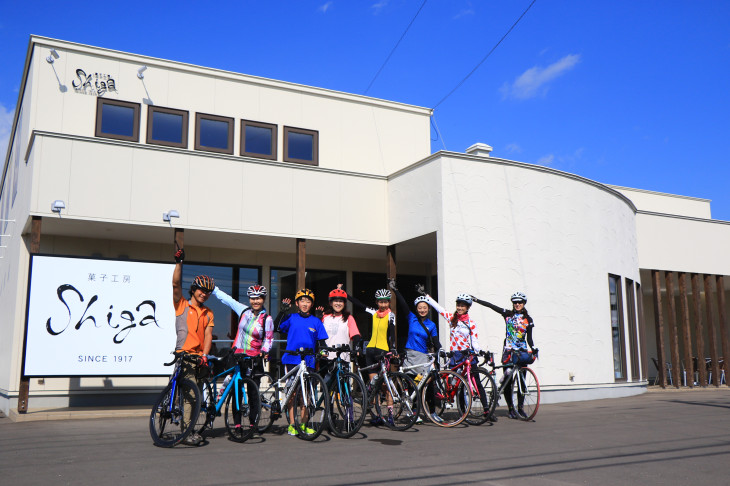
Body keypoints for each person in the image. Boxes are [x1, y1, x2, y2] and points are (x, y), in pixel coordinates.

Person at [419, 287, 492, 422]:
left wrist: (479, 351)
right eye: (458, 305)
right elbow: (439, 309)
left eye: (462, 306)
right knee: (457, 384)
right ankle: (463, 412)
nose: (459, 307)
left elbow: (474, 341)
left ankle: (487, 409)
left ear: (467, 307)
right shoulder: (452, 318)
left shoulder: (471, 323)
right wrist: (426, 296)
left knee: (476, 381)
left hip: (468, 355)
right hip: (456, 355)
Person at [209, 284, 274, 429]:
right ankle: (237, 423)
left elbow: (269, 339)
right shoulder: (244, 310)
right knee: (236, 390)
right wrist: (214, 289)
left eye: (258, 298)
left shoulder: (267, 319)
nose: (255, 301)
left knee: (253, 393)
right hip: (237, 356)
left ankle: (253, 423)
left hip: (254, 359)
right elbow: (228, 300)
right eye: (253, 298)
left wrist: (264, 350)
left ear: (263, 299)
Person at [172, 246, 214, 445]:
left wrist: (205, 355)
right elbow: (175, 284)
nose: (204, 294)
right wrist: (179, 262)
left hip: (199, 357)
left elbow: (208, 336)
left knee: (196, 396)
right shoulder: (182, 304)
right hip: (184, 355)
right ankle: (186, 432)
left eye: (207, 292)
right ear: (194, 289)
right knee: (189, 396)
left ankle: (190, 428)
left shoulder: (208, 313)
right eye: (201, 290)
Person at [472, 291, 537, 420]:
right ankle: (511, 409)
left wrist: (533, 347)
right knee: (508, 381)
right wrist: (477, 300)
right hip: (508, 352)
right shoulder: (508, 314)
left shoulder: (528, 320)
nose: (517, 304)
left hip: (522, 352)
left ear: (524, 304)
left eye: (520, 302)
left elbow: (529, 338)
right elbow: (492, 306)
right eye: (515, 302)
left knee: (522, 382)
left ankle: (520, 408)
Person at [276, 289, 329, 436]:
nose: (305, 304)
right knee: (292, 393)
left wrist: (324, 351)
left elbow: (322, 341)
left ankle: (304, 425)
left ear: (311, 304)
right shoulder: (291, 317)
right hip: (292, 359)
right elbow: (277, 327)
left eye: (308, 301)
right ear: (297, 303)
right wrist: (282, 312)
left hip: (309, 361)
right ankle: (293, 424)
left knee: (305, 394)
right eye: (302, 301)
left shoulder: (316, 321)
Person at [388, 279, 441, 423]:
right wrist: (395, 289)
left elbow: (436, 342)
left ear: (428, 309)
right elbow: (403, 304)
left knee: (427, 386)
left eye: (425, 307)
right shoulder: (412, 318)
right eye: (419, 307)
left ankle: (432, 412)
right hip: (410, 356)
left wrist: (440, 351)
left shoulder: (431, 325)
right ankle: (414, 412)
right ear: (416, 308)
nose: (422, 309)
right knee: (412, 385)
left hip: (423, 358)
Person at [347, 287, 396, 425]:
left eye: (385, 302)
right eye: (380, 302)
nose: (383, 305)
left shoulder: (391, 315)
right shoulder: (374, 312)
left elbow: (392, 333)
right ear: (376, 302)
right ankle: (378, 415)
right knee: (374, 387)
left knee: (387, 386)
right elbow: (359, 305)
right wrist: (346, 294)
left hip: (383, 352)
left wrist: (393, 348)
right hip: (370, 352)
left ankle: (390, 415)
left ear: (389, 302)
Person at [317, 285, 362, 375]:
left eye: (341, 301)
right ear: (330, 303)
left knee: (342, 386)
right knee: (326, 386)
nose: (338, 303)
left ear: (344, 304)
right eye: (335, 301)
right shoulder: (325, 317)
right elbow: (317, 334)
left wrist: (357, 346)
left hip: (343, 357)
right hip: (326, 356)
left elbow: (356, 335)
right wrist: (318, 319)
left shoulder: (349, 318)